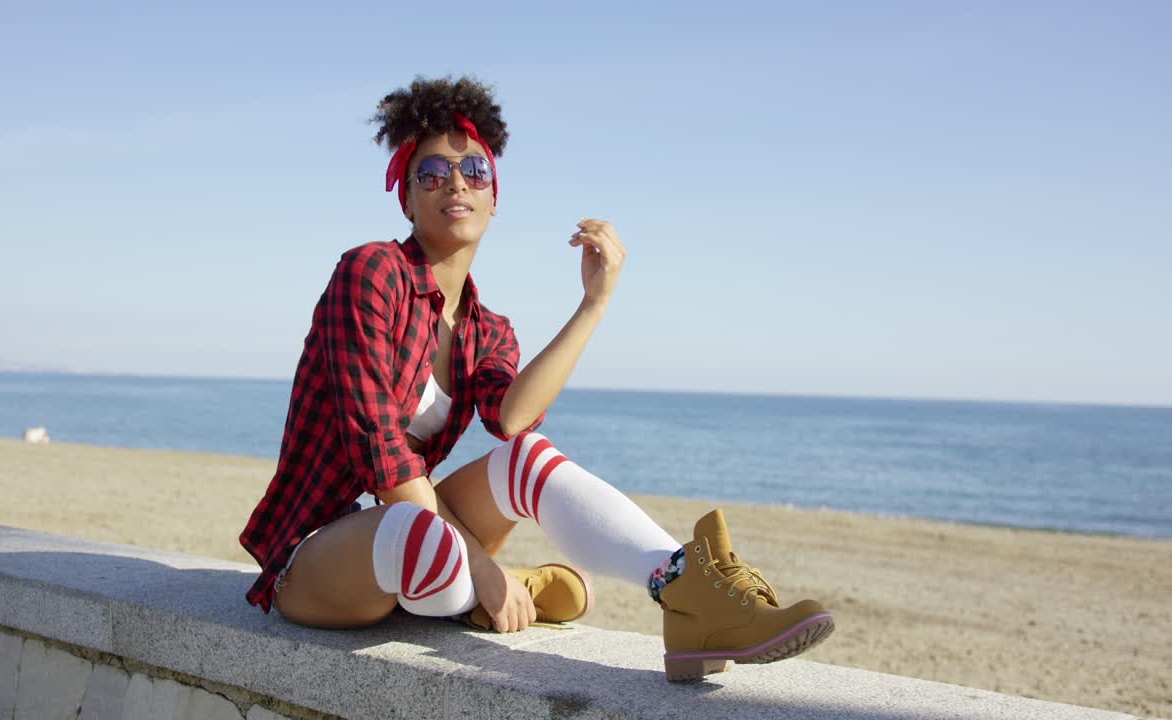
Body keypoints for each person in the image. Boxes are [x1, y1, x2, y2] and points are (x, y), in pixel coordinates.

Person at [240, 75, 834, 680]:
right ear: (407, 199)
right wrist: (488, 568)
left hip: (411, 533)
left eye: (474, 170)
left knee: (524, 458)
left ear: (495, 197)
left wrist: (593, 304)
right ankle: (491, 587)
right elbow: (381, 456)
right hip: (315, 554)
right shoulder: (371, 273)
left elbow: (512, 419)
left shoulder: (486, 328)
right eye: (431, 172)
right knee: (425, 536)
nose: (455, 182)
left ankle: (686, 591)